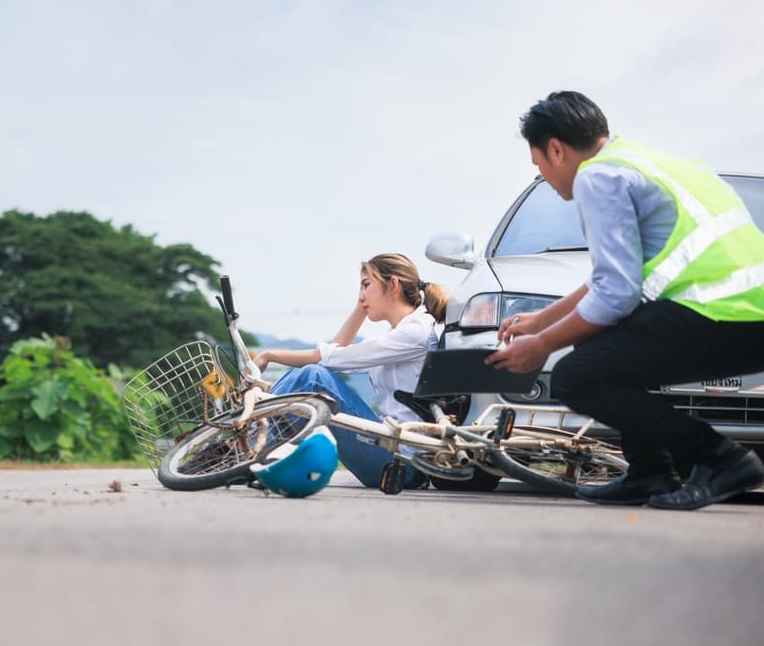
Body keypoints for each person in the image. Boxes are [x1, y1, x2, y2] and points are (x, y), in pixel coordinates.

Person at [485, 90, 764, 510]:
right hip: (746, 315)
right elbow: (615, 279)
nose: (542, 172)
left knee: (575, 376)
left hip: (724, 313)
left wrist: (542, 346)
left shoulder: (598, 178)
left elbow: (615, 296)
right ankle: (650, 472)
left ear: (556, 149)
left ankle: (723, 459)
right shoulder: (655, 166)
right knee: (596, 341)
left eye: (538, 161)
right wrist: (542, 320)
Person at [252, 253, 448, 489]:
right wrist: (361, 308)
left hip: (403, 464)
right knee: (307, 376)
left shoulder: (416, 331)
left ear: (393, 285)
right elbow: (335, 352)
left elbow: (329, 359)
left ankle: (246, 444)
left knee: (313, 376)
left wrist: (268, 355)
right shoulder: (400, 333)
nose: (361, 295)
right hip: (389, 451)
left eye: (366, 285)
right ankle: (250, 444)